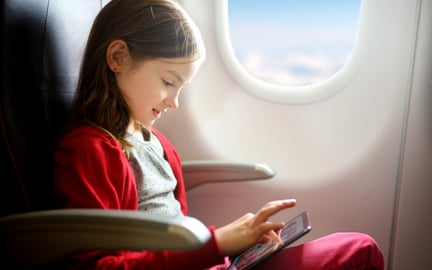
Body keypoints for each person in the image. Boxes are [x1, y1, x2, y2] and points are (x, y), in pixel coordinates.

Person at [53, 0, 385, 269]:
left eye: (181, 87)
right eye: (168, 82)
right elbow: (99, 266)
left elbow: (177, 236)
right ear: (118, 57)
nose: (175, 101)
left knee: (358, 246)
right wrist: (218, 243)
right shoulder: (88, 151)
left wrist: (240, 243)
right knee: (360, 253)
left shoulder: (156, 144)